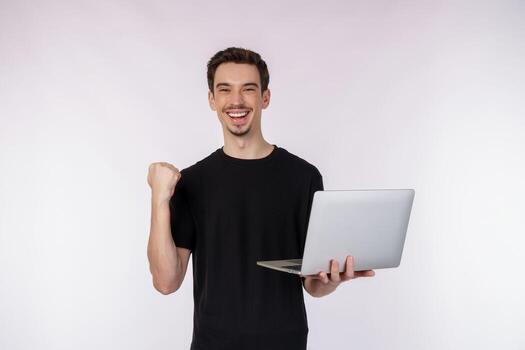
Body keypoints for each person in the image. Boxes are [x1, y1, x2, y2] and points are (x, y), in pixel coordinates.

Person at [147, 47, 375, 350]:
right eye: (225, 89)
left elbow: (312, 283)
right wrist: (159, 200)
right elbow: (166, 282)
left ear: (265, 97)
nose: (237, 101)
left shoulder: (303, 177)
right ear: (212, 100)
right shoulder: (193, 181)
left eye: (249, 90)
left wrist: (331, 279)